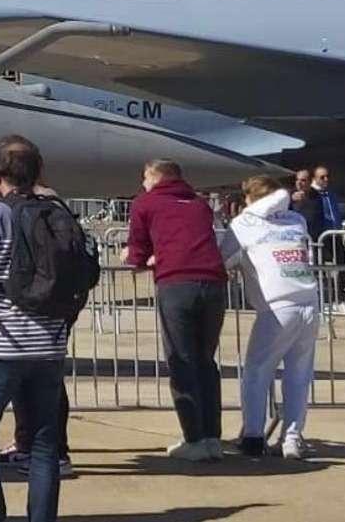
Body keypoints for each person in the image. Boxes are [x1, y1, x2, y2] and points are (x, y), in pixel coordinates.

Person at [0, 137, 74, 522]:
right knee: (44, 444)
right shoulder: (58, 213)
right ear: (39, 172)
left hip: (0, 344)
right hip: (49, 345)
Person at [125, 158, 227, 462]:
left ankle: (193, 437)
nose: (142, 182)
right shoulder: (199, 204)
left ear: (156, 177)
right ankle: (212, 437)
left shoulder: (145, 203)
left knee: (181, 359)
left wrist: (138, 259)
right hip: (213, 282)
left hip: (177, 283)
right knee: (205, 361)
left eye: (145, 177)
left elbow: (138, 250)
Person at [221, 175, 321, 460]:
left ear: (251, 199)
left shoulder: (243, 225)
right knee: (299, 374)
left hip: (276, 307)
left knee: (257, 371)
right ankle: (291, 438)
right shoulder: (295, 221)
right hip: (309, 301)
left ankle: (253, 435)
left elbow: (223, 258)